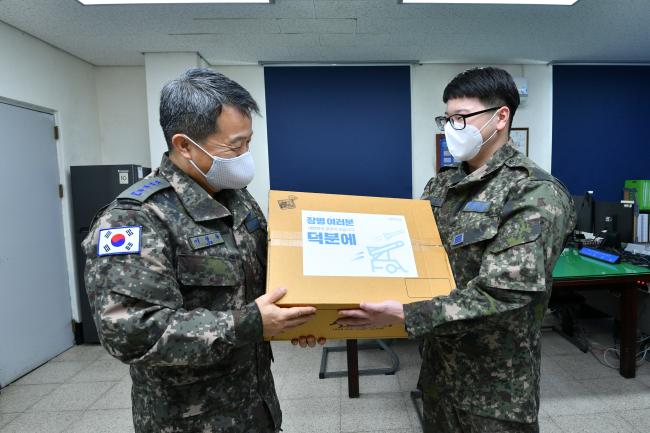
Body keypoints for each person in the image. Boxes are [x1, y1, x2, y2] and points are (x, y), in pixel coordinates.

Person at [83, 67, 322, 433]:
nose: (245, 155)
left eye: (248, 142)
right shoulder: (134, 220)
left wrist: (295, 318)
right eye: (234, 145)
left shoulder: (238, 201)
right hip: (189, 419)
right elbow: (130, 333)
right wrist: (251, 323)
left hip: (255, 405)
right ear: (183, 144)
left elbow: (263, 280)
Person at [338, 67, 576, 433]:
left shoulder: (534, 192)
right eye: (447, 118)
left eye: (462, 118)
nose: (451, 127)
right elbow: (411, 253)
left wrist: (406, 313)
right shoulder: (443, 184)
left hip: (494, 388)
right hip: (439, 373)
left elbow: (506, 294)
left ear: (500, 117)